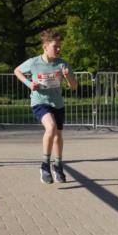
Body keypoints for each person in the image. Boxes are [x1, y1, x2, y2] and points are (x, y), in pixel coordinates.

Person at [14, 30, 77, 184]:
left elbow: (74, 87)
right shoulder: (34, 62)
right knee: (51, 127)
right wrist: (29, 84)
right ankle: (44, 165)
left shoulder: (62, 64)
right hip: (40, 102)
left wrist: (68, 76)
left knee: (58, 135)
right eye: (55, 46)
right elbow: (17, 70)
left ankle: (58, 165)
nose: (58, 49)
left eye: (59, 46)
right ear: (45, 47)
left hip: (58, 104)